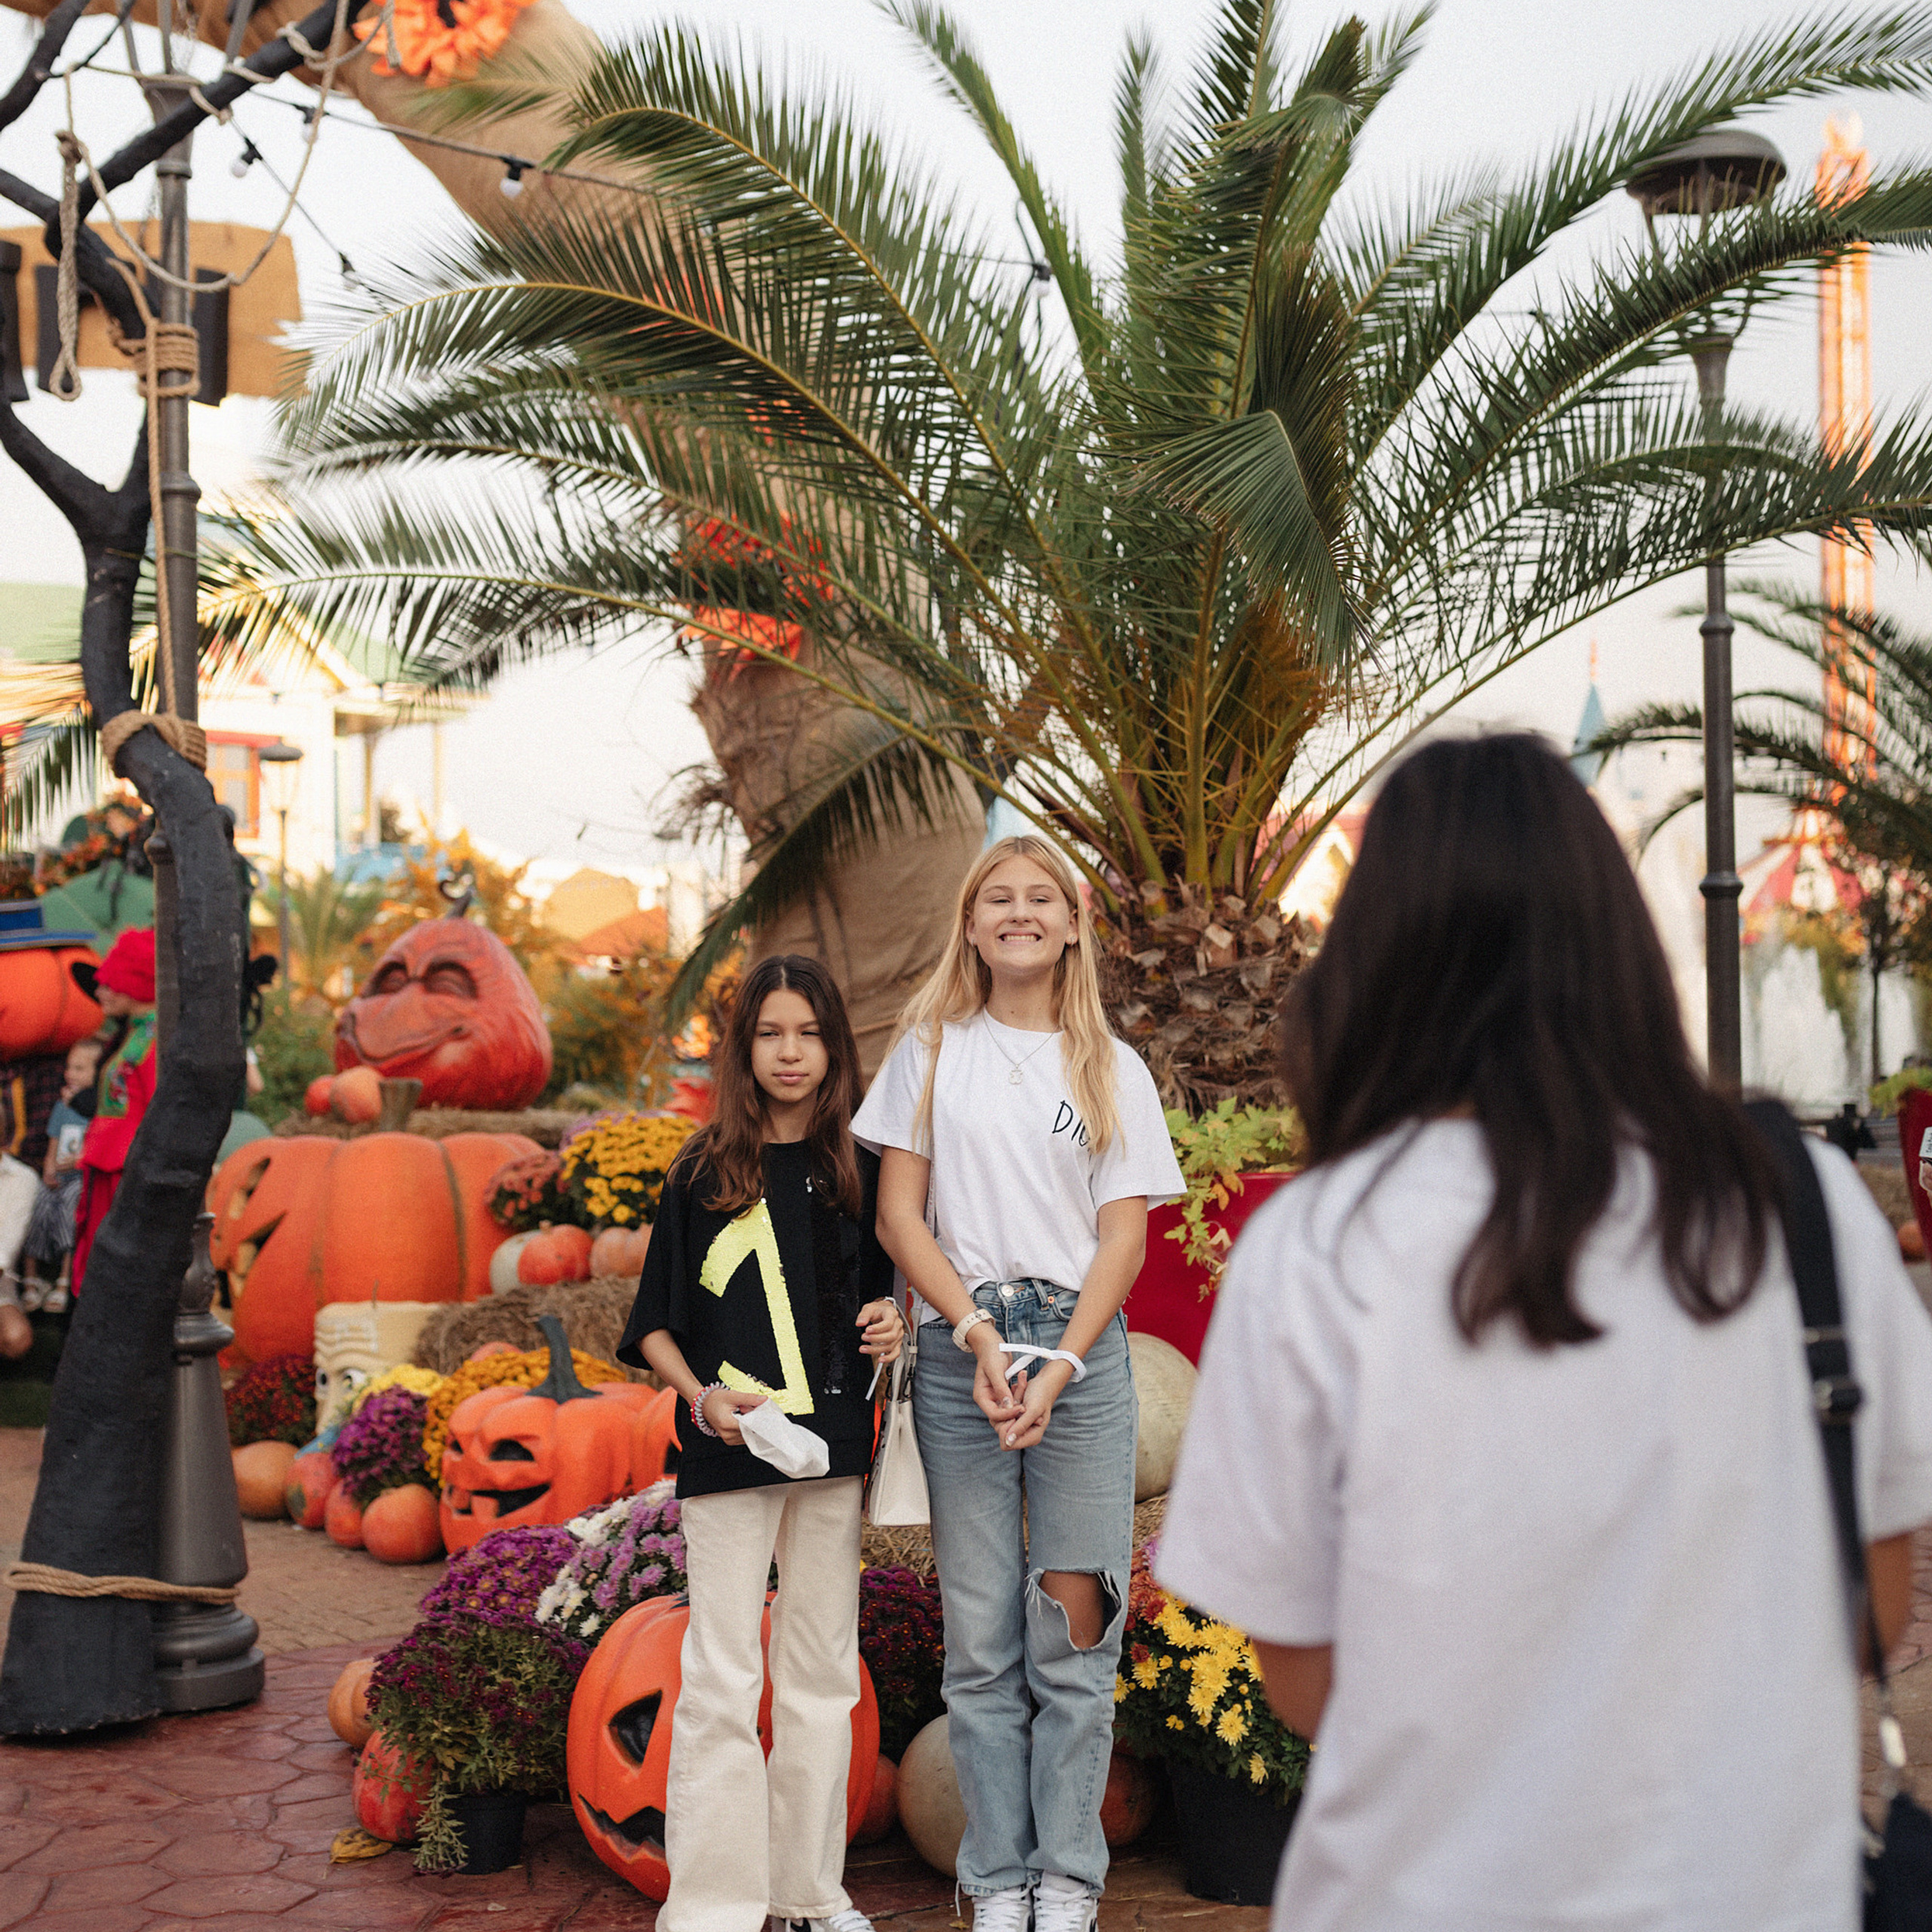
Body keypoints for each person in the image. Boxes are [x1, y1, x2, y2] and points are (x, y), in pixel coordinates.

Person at [1158, 734, 1932, 1932]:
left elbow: (1303, 1678)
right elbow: (1874, 1605)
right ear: (1618, 943)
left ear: (1372, 962)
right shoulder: (1798, 1203)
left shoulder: (1315, 1248)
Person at [854, 833, 1185, 1932]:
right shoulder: (927, 1053)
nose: (1019, 912)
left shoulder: (1111, 1066)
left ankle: (1068, 1880)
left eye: (1042, 897)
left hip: (1078, 1366)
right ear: (970, 922)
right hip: (965, 1357)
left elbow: (1123, 1236)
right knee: (983, 1644)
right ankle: (997, 1880)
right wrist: (975, 1334)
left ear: (1074, 923)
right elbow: (899, 1215)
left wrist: (1063, 1362)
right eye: (997, 897)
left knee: (1075, 1637)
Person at [617, 953, 906, 1932]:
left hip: (833, 1448)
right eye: (771, 1033)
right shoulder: (701, 1171)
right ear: (743, 1048)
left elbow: (884, 1299)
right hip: (727, 1450)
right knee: (722, 1676)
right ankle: (714, 1909)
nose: (791, 1053)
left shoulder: (862, 1170)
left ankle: (810, 1893)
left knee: (822, 1674)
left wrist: (894, 1324)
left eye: (809, 1034)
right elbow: (655, 1322)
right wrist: (704, 1401)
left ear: (835, 1049)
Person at [69, 928, 158, 1297]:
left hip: (127, 1173)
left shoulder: (154, 1040)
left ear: (133, 984)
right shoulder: (136, 1035)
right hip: (110, 1168)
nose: (101, 992)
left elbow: (156, 1111)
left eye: (110, 983)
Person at [18, 1035, 103, 1315]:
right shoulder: (61, 1106)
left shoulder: (98, 1109)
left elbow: (96, 1145)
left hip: (79, 1179)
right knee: (37, 1207)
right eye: (69, 1067)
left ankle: (64, 1280)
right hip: (57, 1177)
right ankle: (31, 1279)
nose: (70, 1074)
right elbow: (53, 1143)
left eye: (80, 1069)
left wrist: (78, 1162)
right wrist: (49, 1169)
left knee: (70, 1210)